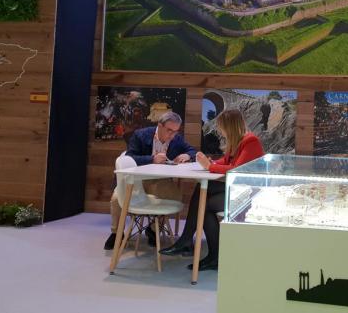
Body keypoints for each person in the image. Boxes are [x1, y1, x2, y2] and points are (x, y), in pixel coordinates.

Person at [159, 109, 264, 271]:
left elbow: (235, 169)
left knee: (204, 204)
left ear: (229, 126)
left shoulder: (250, 141)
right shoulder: (237, 141)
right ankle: (196, 247)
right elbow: (226, 161)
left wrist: (210, 166)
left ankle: (193, 245)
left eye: (221, 127)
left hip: (250, 194)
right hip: (239, 189)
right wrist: (210, 162)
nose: (219, 131)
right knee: (203, 191)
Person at [103, 111, 197, 250]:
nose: (172, 135)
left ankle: (153, 229)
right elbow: (130, 157)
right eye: (169, 130)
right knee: (117, 199)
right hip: (137, 180)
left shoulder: (177, 139)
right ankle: (116, 233)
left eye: (175, 131)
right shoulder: (141, 135)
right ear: (160, 125)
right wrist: (152, 159)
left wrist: (187, 155)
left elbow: (193, 151)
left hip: (160, 180)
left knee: (174, 196)